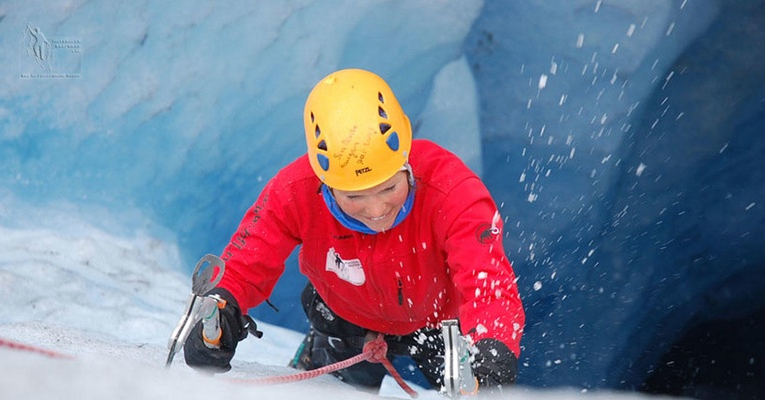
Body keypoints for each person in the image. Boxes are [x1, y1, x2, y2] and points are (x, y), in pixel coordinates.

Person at [183, 68, 525, 393]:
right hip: (345, 319)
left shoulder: (451, 190)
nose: (376, 211)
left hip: (440, 325)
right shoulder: (296, 191)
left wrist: (492, 351)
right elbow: (246, 261)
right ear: (325, 182)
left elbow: (488, 285)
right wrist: (222, 307)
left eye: (389, 188)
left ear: (405, 159)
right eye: (354, 196)